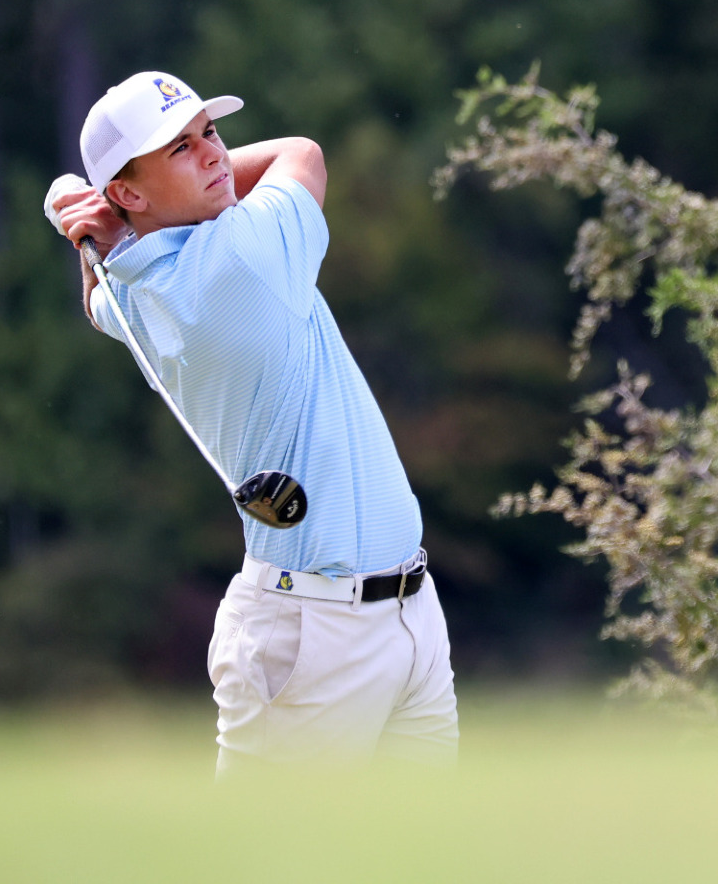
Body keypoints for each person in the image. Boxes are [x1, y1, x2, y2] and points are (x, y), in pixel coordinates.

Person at [45, 70, 458, 770]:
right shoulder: (240, 256)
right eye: (180, 149)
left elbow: (98, 300)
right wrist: (101, 216)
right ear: (128, 191)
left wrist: (107, 219)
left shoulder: (137, 293)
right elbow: (302, 154)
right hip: (313, 635)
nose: (212, 154)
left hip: (404, 612)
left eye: (210, 133)